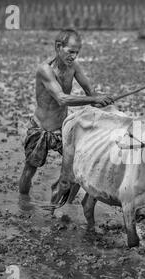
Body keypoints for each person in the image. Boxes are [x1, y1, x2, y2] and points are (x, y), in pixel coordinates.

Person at [19, 28, 113, 195]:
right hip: (41, 128)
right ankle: (23, 204)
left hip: (63, 128)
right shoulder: (45, 70)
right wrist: (94, 100)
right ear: (58, 47)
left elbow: (91, 95)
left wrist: (105, 101)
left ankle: (65, 203)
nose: (74, 56)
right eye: (70, 52)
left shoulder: (74, 67)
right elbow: (61, 98)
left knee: (77, 167)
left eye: (77, 53)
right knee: (29, 171)